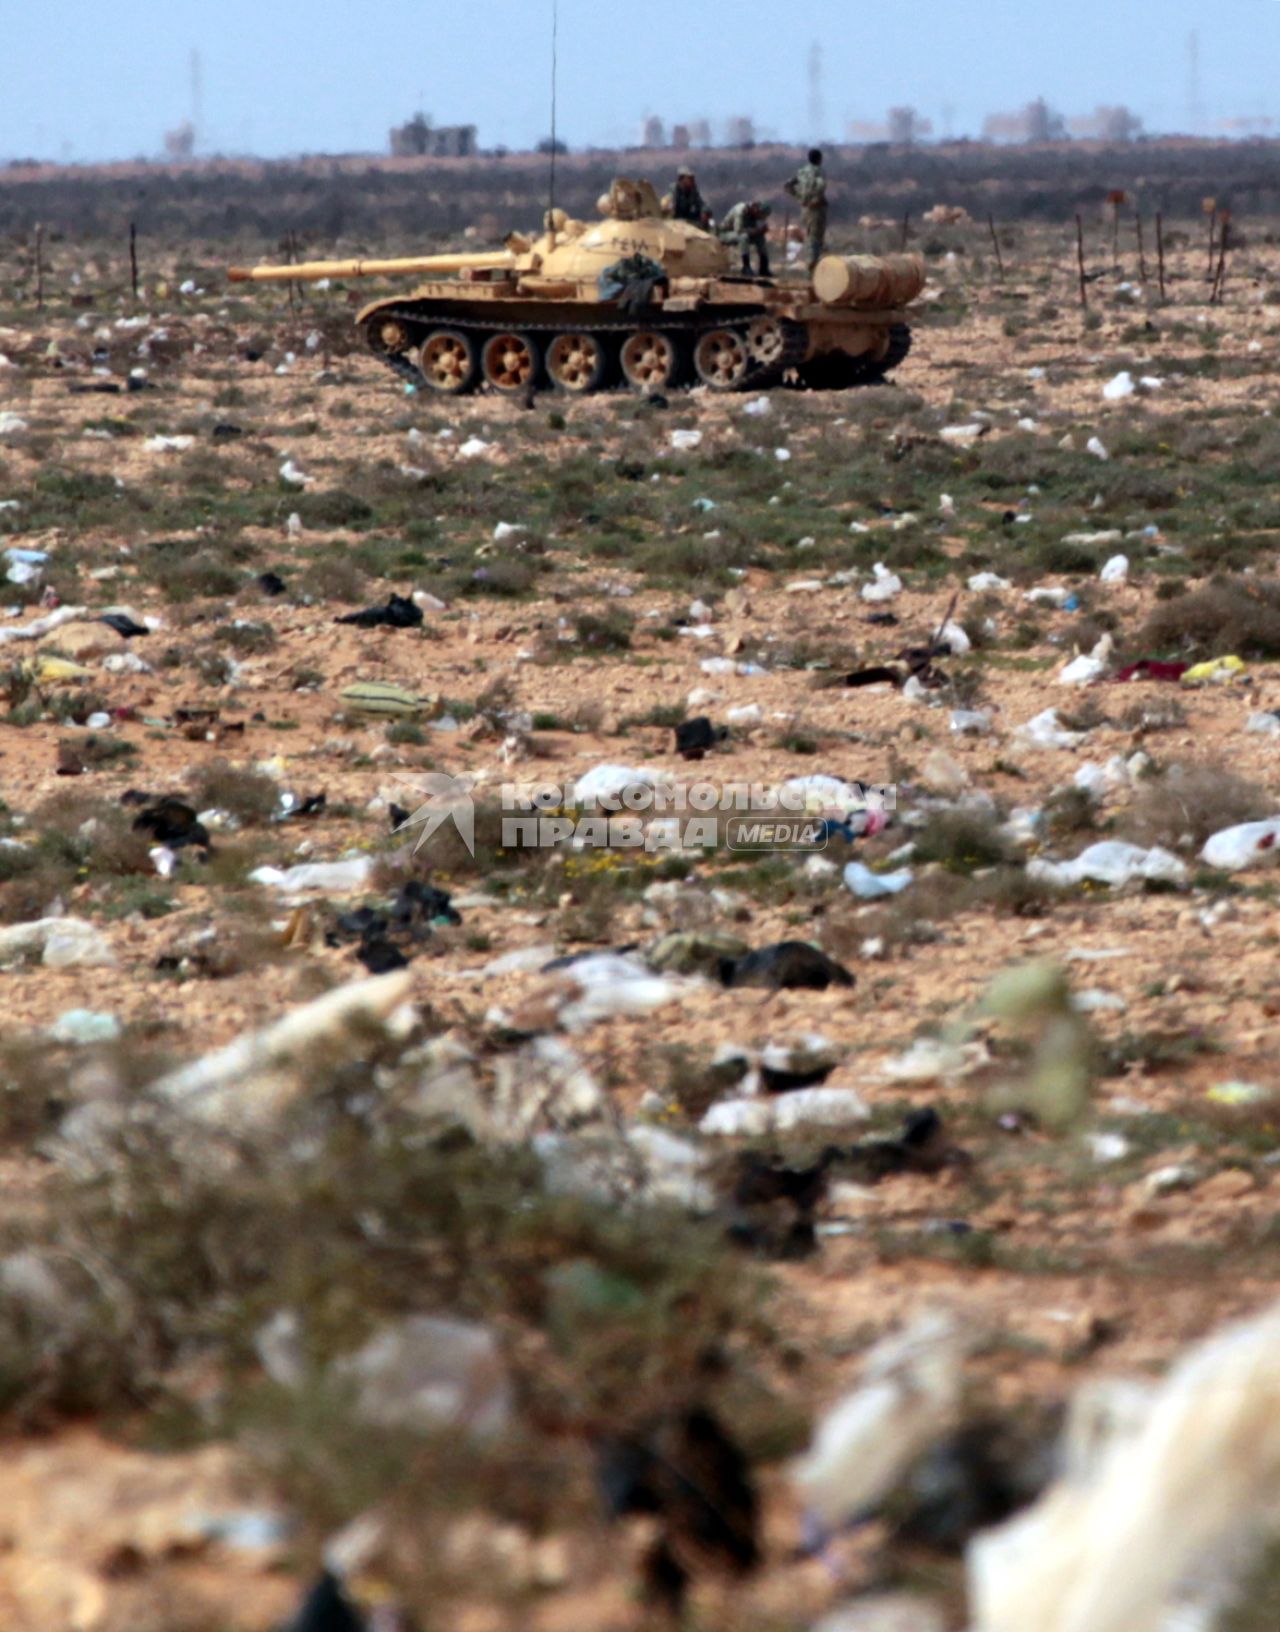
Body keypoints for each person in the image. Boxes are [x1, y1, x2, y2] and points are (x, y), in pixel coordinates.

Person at [784, 147, 828, 273]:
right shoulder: (819, 171)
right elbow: (821, 185)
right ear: (819, 159)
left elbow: (787, 186)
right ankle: (812, 268)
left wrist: (799, 197)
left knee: (809, 236)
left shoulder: (801, 171)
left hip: (805, 209)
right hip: (817, 209)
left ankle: (811, 265)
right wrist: (816, 199)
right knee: (816, 238)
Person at [719, 200, 772, 277]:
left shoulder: (755, 214)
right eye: (760, 214)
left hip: (743, 232)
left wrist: (761, 230)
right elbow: (739, 230)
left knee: (760, 238)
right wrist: (757, 230)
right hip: (726, 234)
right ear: (755, 209)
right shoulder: (741, 211)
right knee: (744, 237)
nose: (759, 217)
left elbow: (755, 229)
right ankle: (746, 267)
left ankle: (764, 268)